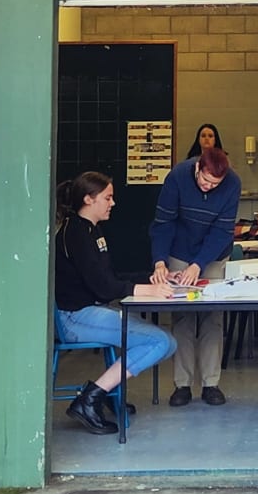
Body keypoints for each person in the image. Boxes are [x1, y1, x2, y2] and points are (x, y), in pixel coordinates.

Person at [55, 172, 178, 435]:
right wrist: (148, 290)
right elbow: (105, 287)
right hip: (75, 318)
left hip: (91, 312)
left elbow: (110, 278)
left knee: (167, 344)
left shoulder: (91, 229)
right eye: (108, 197)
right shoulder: (76, 232)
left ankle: (104, 392)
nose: (113, 203)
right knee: (161, 342)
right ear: (88, 199)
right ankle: (90, 399)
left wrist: (155, 277)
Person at [149, 148, 241, 407]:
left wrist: (199, 264)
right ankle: (183, 385)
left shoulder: (233, 183)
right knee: (182, 315)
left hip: (213, 255)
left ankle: (211, 383)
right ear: (198, 168)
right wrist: (160, 262)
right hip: (179, 250)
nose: (209, 187)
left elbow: (223, 231)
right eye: (205, 181)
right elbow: (163, 223)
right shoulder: (177, 176)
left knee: (213, 314)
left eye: (215, 184)